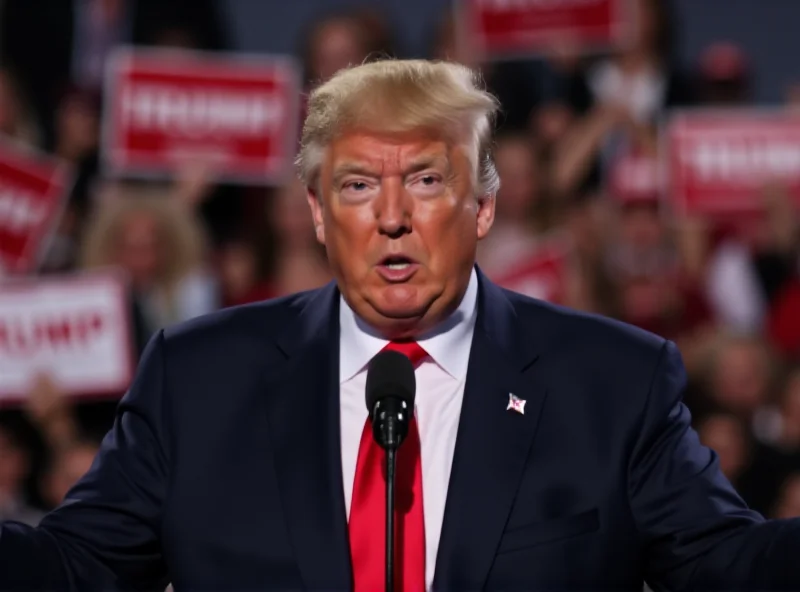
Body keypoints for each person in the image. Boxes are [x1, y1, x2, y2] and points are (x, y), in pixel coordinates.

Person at [2, 59, 800, 591]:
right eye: (355, 185)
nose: (391, 218)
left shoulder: (610, 382)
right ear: (315, 212)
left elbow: (727, 566)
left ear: (483, 205)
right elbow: (74, 569)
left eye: (425, 179)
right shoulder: (200, 377)